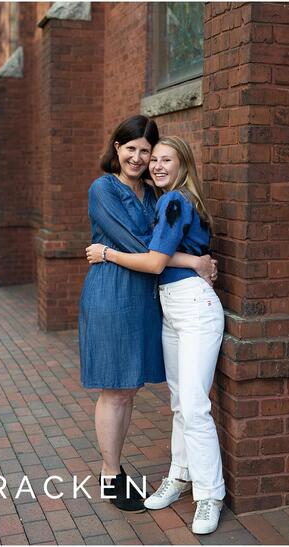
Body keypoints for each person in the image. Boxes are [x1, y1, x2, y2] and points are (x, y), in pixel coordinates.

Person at [86, 136, 225, 534]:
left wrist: (106, 253)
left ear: (184, 164)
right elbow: (155, 253)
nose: (156, 165)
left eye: (166, 158)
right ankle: (179, 476)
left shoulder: (172, 201)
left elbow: (153, 259)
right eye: (154, 159)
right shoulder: (156, 198)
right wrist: (198, 260)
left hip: (193, 306)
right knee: (181, 403)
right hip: (170, 306)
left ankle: (209, 493)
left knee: (195, 407)